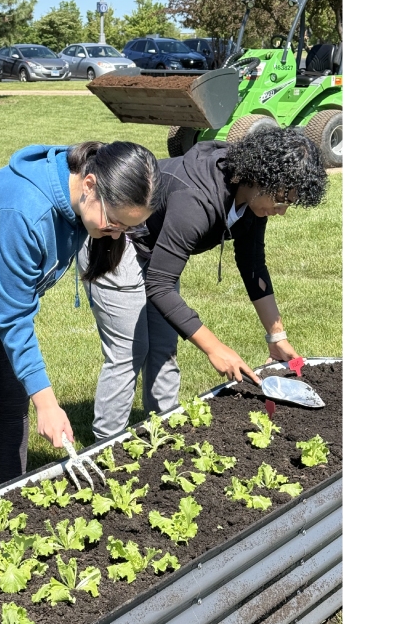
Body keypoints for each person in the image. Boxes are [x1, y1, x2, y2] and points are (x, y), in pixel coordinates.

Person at [0, 141, 161, 505]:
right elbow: (13, 316)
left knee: (12, 403)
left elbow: (14, 301)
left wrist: (37, 397)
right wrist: (48, 403)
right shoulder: (25, 211)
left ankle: (11, 504)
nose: (116, 233)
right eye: (114, 221)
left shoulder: (79, 200)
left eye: (127, 227)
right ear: (90, 185)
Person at [75, 128, 328, 440]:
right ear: (259, 178)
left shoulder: (251, 197)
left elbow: (252, 264)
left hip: (155, 251)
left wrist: (277, 335)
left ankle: (163, 434)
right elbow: (161, 285)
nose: (282, 210)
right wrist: (216, 349)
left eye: (290, 201)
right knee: (131, 350)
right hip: (113, 238)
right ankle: (105, 446)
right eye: (280, 199)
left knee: (164, 348)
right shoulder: (196, 199)